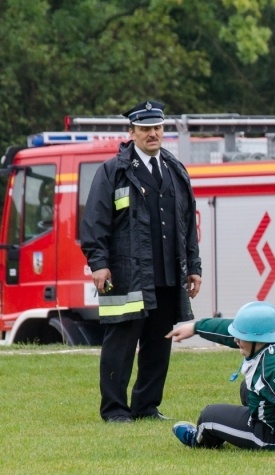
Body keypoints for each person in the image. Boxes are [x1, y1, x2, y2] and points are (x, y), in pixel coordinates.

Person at [81, 100, 202, 423]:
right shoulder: (113, 171)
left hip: (166, 274)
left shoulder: (175, 169)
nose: (153, 134)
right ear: (131, 131)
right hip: (125, 274)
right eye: (146, 128)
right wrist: (98, 263)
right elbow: (94, 221)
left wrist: (193, 268)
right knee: (120, 344)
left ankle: (146, 407)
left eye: (158, 127)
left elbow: (188, 225)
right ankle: (115, 410)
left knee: (158, 345)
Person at [166, 302, 275, 454]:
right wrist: (196, 327)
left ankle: (200, 441)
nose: (236, 340)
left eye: (241, 337)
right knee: (246, 388)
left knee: (208, 417)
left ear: (257, 338)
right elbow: (232, 331)